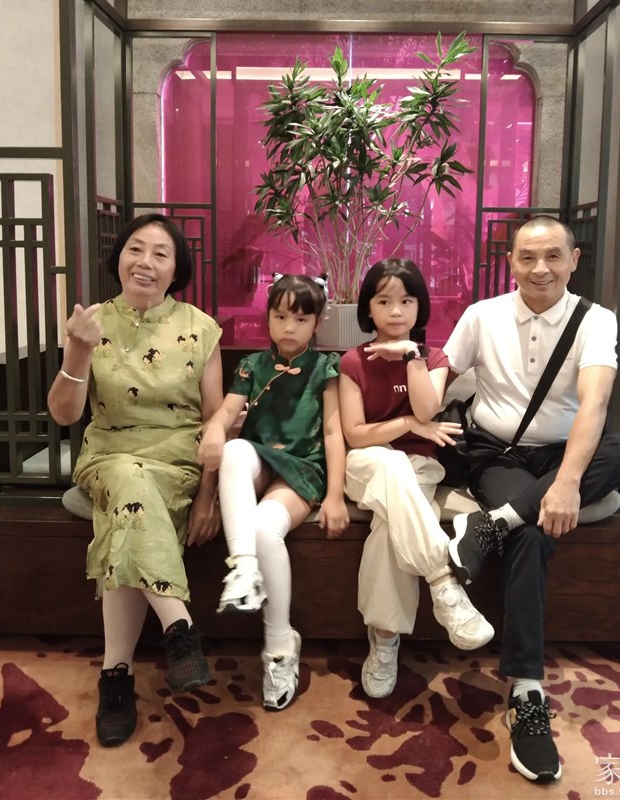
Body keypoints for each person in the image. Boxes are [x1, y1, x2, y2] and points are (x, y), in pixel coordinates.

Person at [443, 215, 620, 784]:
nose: (540, 269)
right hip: (499, 455)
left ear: (574, 260)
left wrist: (568, 482)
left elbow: (595, 403)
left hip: (561, 453)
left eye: (553, 255)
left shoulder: (595, 320)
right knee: (531, 533)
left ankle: (492, 524)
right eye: (527, 257)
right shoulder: (481, 315)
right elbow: (440, 375)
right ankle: (527, 689)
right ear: (511, 262)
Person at [48, 213, 223, 748]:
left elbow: (213, 422)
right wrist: (78, 350)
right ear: (119, 257)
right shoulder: (91, 323)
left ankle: (115, 676)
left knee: (125, 512)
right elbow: (64, 414)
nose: (145, 262)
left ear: (176, 269)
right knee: (128, 477)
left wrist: (206, 499)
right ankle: (179, 627)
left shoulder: (202, 327)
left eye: (160, 254)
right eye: (135, 249)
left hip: (176, 461)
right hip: (109, 455)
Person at [338, 258, 494, 700]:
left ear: (420, 307)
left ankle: (384, 641)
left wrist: (411, 357)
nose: (396, 311)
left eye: (407, 301)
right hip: (366, 464)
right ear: (368, 308)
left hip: (419, 469)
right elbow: (355, 435)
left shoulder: (434, 358)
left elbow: (428, 409)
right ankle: (444, 582)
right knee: (390, 465)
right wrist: (408, 425)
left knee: (388, 529)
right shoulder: (353, 361)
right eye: (384, 301)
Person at [198, 274, 349, 711]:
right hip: (260, 461)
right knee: (234, 448)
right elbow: (228, 410)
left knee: (265, 530)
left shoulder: (326, 368)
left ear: (317, 321)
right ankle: (244, 570)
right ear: (267, 317)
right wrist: (215, 428)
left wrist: (335, 495)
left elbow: (334, 432)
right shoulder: (252, 365)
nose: (289, 327)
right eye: (280, 316)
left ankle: (280, 646)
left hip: (302, 468)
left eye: (300, 319)